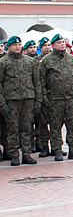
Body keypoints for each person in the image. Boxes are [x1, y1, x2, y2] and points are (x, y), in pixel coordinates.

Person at [38, 34, 73, 161]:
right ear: (53, 45)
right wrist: (44, 98)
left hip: (71, 99)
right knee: (55, 126)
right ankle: (57, 150)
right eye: (59, 42)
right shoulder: (47, 60)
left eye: (63, 42)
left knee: (72, 125)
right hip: (54, 100)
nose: (62, 44)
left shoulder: (72, 59)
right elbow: (41, 81)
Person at [0, 36, 41, 166]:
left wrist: (38, 100)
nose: (17, 47)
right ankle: (14, 155)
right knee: (12, 128)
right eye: (14, 45)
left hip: (28, 98)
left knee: (27, 128)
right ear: (9, 47)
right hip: (11, 100)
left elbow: (36, 81)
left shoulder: (30, 62)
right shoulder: (3, 62)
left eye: (19, 44)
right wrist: (2, 103)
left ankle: (26, 154)